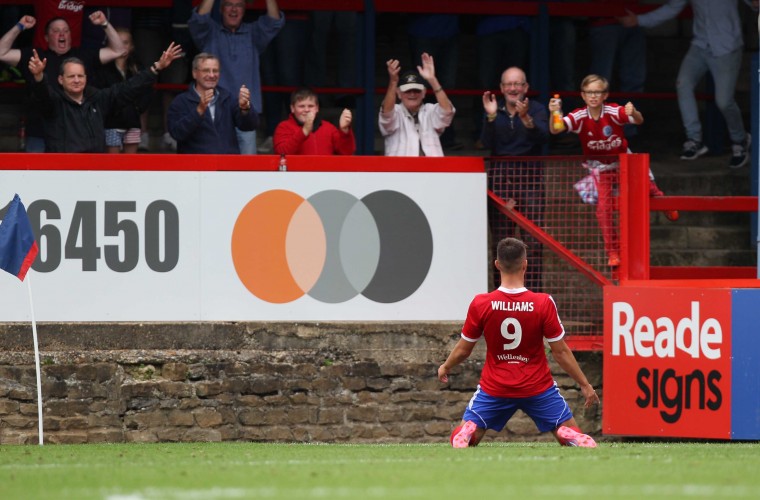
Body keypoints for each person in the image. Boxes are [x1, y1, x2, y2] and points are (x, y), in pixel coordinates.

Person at [438, 237, 600, 448]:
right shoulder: (543, 303)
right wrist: (585, 385)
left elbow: (463, 350)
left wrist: (446, 366)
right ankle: (564, 432)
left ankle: (469, 430)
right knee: (571, 432)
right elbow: (560, 352)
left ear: (496, 264)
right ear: (525, 264)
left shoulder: (481, 303)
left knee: (463, 437)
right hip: (537, 386)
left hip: (495, 387)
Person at [548, 74, 679, 268]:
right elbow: (556, 129)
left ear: (605, 95)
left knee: (649, 188)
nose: (593, 96)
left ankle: (664, 202)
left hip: (623, 162)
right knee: (603, 209)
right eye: (589, 92)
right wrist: (554, 113)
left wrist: (633, 112)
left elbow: (639, 120)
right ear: (583, 95)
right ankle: (613, 252)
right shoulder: (579, 116)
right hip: (601, 168)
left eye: (598, 92)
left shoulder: (613, 111)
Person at [619, 0, 752, 168]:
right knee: (683, 84)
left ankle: (740, 140)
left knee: (724, 101)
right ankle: (694, 139)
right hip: (700, 45)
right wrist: (639, 20)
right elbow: (672, 7)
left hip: (727, 47)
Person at [0, 11, 126, 152]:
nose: (62, 34)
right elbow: (1, 52)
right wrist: (19, 26)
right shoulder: (35, 55)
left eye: (66, 31)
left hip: (76, 137)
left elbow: (119, 50)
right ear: (46, 38)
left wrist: (104, 24)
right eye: (56, 31)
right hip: (39, 133)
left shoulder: (83, 55)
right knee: (37, 173)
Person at [27, 42, 182, 153]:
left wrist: (156, 68)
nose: (76, 80)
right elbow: (43, 96)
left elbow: (127, 89)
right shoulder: (55, 103)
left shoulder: (97, 99)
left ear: (86, 78)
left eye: (80, 76)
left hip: (96, 171)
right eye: (71, 76)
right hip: (63, 172)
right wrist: (39, 77)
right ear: (61, 80)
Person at [481, 67, 548, 291]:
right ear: (501, 88)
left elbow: (544, 136)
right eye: (508, 84)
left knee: (534, 241)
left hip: (530, 181)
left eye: (517, 84)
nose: (513, 88)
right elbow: (487, 143)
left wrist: (525, 117)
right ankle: (503, 293)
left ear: (526, 88)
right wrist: (490, 116)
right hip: (500, 180)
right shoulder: (494, 110)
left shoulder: (536, 109)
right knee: (501, 241)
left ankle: (534, 294)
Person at [189, 0, 284, 155]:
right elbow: (199, 19)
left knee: (247, 172)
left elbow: (274, 21)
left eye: (239, 5)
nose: (234, 9)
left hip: (244, 114)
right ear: (220, 9)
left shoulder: (253, 34)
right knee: (215, 171)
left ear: (244, 10)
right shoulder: (210, 33)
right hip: (214, 114)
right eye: (228, 4)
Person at [167, 52, 258, 154]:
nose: (211, 75)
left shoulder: (228, 98)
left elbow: (249, 126)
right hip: (195, 167)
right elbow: (177, 133)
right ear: (194, 73)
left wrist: (245, 108)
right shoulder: (181, 101)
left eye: (215, 71)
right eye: (206, 70)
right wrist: (199, 111)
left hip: (227, 167)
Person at [378, 53, 455, 157]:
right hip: (400, 171)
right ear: (399, 93)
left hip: (433, 170)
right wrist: (393, 81)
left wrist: (432, 79)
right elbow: (387, 114)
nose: (412, 94)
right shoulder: (395, 110)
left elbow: (447, 111)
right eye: (407, 91)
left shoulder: (430, 110)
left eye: (416, 90)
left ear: (423, 93)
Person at [91, 28, 151, 154]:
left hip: (133, 121)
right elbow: (100, 95)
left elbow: (146, 90)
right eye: (117, 42)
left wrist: (137, 108)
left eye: (125, 42)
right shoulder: (102, 69)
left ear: (132, 46)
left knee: (130, 164)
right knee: (112, 165)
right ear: (109, 45)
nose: (122, 46)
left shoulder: (137, 68)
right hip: (111, 123)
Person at [273, 88, 355, 155]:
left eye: (311, 106)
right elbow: (281, 153)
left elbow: (347, 153)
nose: (306, 110)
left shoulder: (329, 128)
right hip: (296, 175)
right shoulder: (284, 127)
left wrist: (344, 131)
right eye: (301, 106)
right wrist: (304, 132)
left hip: (325, 174)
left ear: (317, 108)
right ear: (292, 108)